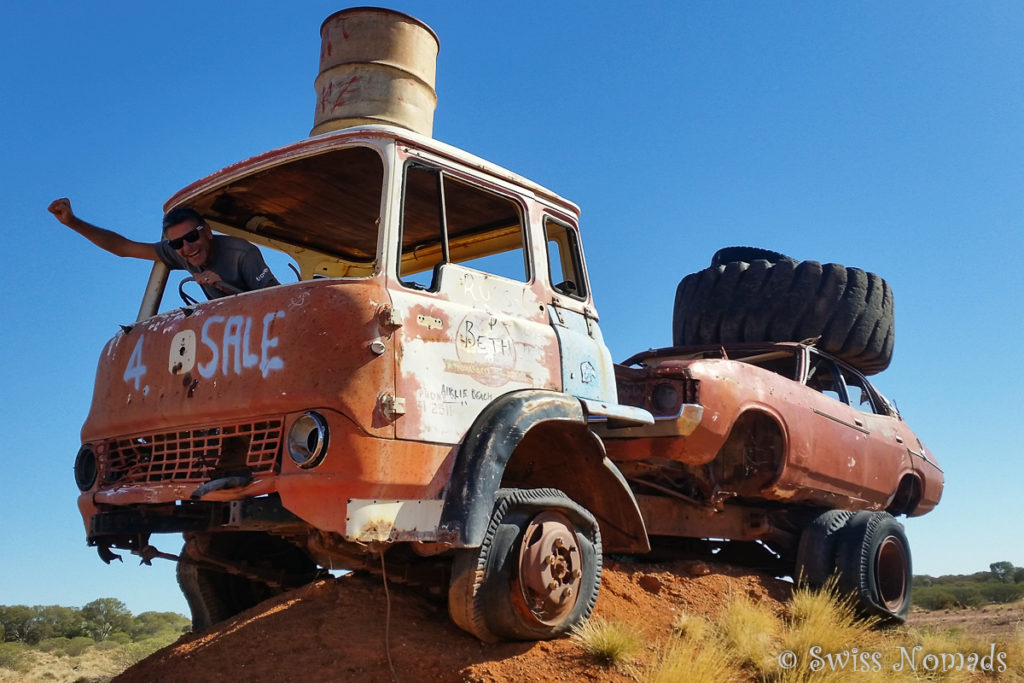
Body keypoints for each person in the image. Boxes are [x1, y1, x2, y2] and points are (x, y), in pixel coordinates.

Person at [48, 198, 279, 300]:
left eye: (191, 236)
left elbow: (277, 301)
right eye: (176, 243)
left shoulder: (242, 254)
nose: (187, 247)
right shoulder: (182, 253)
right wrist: (73, 222)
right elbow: (122, 247)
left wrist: (227, 288)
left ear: (207, 231)